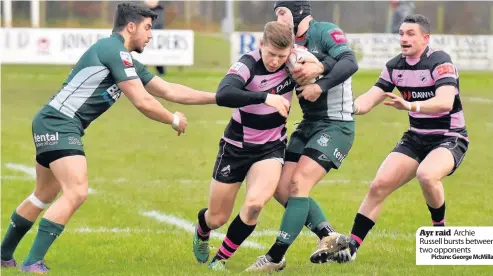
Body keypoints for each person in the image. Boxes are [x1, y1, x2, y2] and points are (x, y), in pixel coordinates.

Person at [0, 3, 216, 273]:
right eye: (148, 28)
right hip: (60, 123)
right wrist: (173, 120)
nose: (151, 35)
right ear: (131, 26)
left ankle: (4, 255)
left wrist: (216, 97)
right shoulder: (114, 50)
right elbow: (143, 101)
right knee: (76, 191)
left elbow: (169, 89)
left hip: (51, 120)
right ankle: (32, 263)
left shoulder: (123, 58)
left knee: (44, 194)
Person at [335, 14, 469, 263]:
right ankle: (351, 248)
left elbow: (445, 101)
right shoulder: (395, 65)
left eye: (410, 34)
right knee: (378, 186)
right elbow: (372, 97)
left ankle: (440, 235)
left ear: (425, 38)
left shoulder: (440, 61)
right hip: (416, 137)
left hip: (449, 137)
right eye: (401, 34)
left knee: (427, 175)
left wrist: (410, 106)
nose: (404, 39)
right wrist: (346, 108)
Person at [245, 1, 359, 272]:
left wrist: (320, 81)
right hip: (308, 124)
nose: (279, 19)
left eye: (282, 12)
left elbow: (349, 61)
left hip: (336, 125)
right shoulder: (288, 47)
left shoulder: (325, 31)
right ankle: (329, 237)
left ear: (299, 12)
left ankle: (275, 257)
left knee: (299, 184)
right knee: (281, 188)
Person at [191, 21, 295, 271]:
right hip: (236, 147)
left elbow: (336, 65)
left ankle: (220, 259)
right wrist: (265, 97)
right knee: (217, 218)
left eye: (282, 56)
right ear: (261, 45)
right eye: (271, 54)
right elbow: (224, 94)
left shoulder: (294, 63)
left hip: (271, 146)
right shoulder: (247, 64)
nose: (275, 61)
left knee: (255, 204)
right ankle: (202, 229)